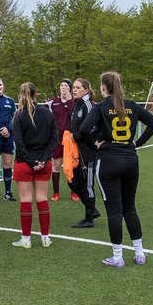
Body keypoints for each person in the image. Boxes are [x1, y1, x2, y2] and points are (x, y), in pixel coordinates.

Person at [78, 71, 153, 267]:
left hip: (108, 161)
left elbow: (83, 130)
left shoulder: (101, 107)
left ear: (104, 87)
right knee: (130, 208)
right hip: (131, 160)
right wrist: (136, 143)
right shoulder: (131, 105)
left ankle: (117, 257)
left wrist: (94, 145)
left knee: (114, 211)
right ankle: (140, 253)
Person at [9, 82, 60, 249]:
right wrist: (44, 160)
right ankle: (45, 237)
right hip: (43, 164)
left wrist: (31, 162)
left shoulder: (19, 115)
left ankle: (26, 239)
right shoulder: (47, 112)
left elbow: (18, 142)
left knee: (26, 200)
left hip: (25, 163)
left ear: (20, 95)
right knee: (42, 199)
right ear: (35, 94)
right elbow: (54, 139)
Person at [69, 77, 101, 228]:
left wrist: (76, 136)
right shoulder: (76, 105)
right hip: (76, 151)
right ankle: (92, 209)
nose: (74, 90)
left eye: (77, 87)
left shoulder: (88, 105)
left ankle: (89, 218)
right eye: (73, 87)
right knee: (73, 182)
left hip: (87, 152)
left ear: (86, 90)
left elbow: (90, 129)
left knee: (87, 185)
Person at [47, 79, 74, 202]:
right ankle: (56, 193)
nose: (63, 87)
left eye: (66, 86)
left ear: (70, 88)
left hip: (70, 139)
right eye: (61, 85)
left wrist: (69, 100)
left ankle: (75, 192)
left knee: (72, 166)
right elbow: (45, 117)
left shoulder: (74, 102)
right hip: (57, 139)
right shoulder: (53, 102)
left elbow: (73, 113)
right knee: (56, 166)